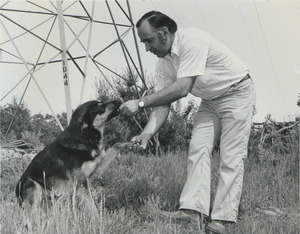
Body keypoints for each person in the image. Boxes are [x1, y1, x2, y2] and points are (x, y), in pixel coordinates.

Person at [120, 11, 256, 233]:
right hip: (210, 100)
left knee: (231, 156)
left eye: (148, 41)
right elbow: (164, 103)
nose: (147, 48)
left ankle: (223, 219)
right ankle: (192, 212)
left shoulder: (192, 40)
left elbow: (182, 89)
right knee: (197, 150)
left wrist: (141, 102)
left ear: (164, 33)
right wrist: (146, 134)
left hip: (237, 92)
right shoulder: (163, 63)